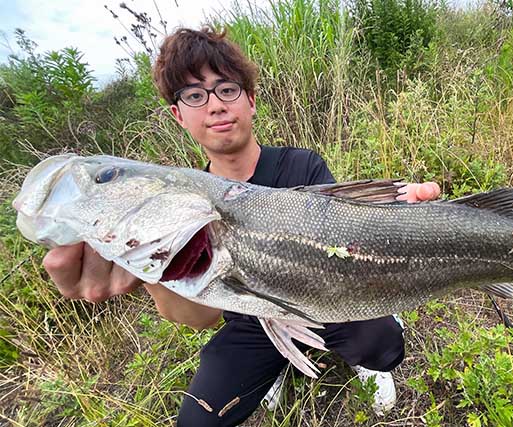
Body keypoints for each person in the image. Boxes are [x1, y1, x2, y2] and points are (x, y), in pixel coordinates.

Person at [42, 27, 441, 426]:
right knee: (198, 422)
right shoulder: (180, 205)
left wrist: (396, 218)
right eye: (195, 95)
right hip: (249, 319)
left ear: (250, 100)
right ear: (178, 115)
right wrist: (148, 265)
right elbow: (201, 318)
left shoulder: (302, 166)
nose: (214, 105)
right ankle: (280, 360)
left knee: (380, 341)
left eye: (226, 89)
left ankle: (366, 356)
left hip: (325, 299)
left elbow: (345, 238)